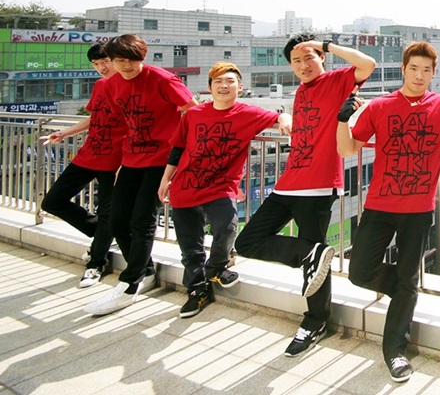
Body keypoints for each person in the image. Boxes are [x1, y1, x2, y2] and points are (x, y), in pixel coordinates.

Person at [336, 41, 440, 382]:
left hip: (419, 210)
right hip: (379, 205)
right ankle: (406, 291)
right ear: (403, 70)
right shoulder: (380, 106)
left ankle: (395, 351)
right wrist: (343, 119)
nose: (419, 76)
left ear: (433, 74)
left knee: (407, 280)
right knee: (359, 272)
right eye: (414, 69)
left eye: (426, 70)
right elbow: (347, 148)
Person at [234, 33, 375, 356]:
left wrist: (324, 44)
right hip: (288, 182)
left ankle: (315, 321)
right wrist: (284, 117)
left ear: (321, 58)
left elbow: (367, 64)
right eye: (296, 61)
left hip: (319, 184)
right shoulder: (300, 91)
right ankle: (311, 254)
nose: (303, 65)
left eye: (309, 57)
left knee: (315, 262)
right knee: (247, 242)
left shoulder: (337, 80)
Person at [158, 62, 291, 318]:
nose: (224, 86)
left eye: (230, 81)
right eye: (218, 81)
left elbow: (277, 118)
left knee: (227, 227)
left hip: (220, 187)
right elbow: (178, 149)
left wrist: (285, 119)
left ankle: (216, 267)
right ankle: (197, 290)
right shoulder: (194, 114)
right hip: (185, 186)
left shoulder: (248, 113)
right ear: (209, 88)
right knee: (190, 246)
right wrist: (166, 179)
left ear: (240, 87)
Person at [84, 34, 198, 316]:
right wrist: (116, 161)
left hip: (162, 160)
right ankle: (145, 271)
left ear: (142, 58)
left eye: (132, 60)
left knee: (143, 220)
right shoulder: (112, 84)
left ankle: (129, 284)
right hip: (130, 159)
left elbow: (192, 110)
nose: (127, 66)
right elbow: (123, 123)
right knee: (117, 220)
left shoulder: (162, 79)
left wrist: (179, 154)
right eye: (120, 61)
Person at [40, 43, 127, 288]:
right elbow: (94, 117)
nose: (101, 68)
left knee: (107, 212)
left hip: (115, 159)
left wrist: (128, 162)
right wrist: (64, 132)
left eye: (105, 62)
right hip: (89, 153)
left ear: (116, 60)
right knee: (52, 201)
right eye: (96, 64)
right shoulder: (100, 85)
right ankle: (104, 232)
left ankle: (96, 263)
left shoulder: (131, 87)